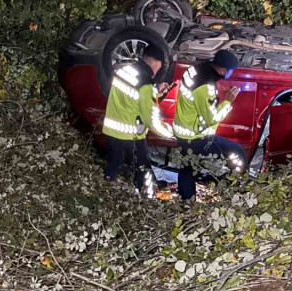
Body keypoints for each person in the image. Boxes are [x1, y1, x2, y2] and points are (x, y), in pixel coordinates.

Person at [172, 50, 247, 201]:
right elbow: (211, 118)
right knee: (237, 151)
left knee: (187, 168)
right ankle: (236, 191)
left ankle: (186, 203)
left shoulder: (195, 69)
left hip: (182, 131)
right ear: (223, 70)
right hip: (196, 137)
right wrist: (228, 101)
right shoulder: (205, 87)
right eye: (230, 71)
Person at [101, 44, 174, 198]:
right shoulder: (146, 83)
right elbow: (150, 119)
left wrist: (156, 93)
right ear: (155, 62)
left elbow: (132, 98)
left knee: (113, 165)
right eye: (158, 68)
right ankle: (143, 198)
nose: (157, 72)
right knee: (143, 169)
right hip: (131, 136)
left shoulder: (125, 70)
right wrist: (168, 133)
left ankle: (105, 192)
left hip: (112, 129)